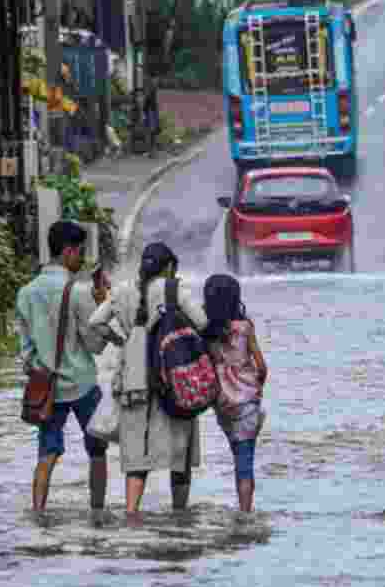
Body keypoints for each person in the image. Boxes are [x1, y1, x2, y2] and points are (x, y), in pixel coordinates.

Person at [89, 242, 207, 515]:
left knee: (137, 455)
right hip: (173, 377)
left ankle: (131, 516)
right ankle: (180, 517)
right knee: (180, 454)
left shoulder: (120, 290)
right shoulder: (174, 290)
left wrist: (120, 339)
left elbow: (96, 321)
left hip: (133, 380)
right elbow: (202, 322)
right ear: (168, 267)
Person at [15, 220, 113, 512]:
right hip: (82, 384)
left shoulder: (26, 293)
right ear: (68, 251)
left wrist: (42, 367)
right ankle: (97, 515)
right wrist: (102, 306)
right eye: (80, 252)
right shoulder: (79, 292)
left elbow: (26, 352)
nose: (82, 259)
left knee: (46, 454)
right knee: (97, 451)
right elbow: (95, 345)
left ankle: (38, 513)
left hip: (47, 388)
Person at [203, 274, 268, 513]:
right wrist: (257, 387)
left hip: (222, 405)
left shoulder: (207, 332)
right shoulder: (245, 328)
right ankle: (245, 512)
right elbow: (261, 366)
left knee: (237, 456)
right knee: (245, 463)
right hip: (247, 403)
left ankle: (242, 509)